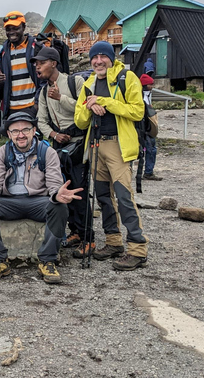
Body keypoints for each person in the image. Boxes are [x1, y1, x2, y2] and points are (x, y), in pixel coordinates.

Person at [0, 112, 79, 283]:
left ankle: (47, 260)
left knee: (60, 207)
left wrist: (57, 195)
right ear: (9, 134)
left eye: (25, 130)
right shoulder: (2, 152)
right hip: (9, 202)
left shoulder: (48, 152)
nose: (20, 135)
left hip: (39, 201)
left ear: (34, 130)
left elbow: (54, 184)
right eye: (15, 131)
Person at [74, 41, 149, 271]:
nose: (98, 61)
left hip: (119, 146)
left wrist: (104, 102)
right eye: (94, 58)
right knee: (104, 196)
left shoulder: (127, 78)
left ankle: (137, 249)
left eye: (102, 57)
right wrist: (89, 106)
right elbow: (79, 121)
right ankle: (114, 242)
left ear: (111, 58)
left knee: (124, 196)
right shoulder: (88, 84)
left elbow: (137, 111)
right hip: (96, 144)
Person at [34, 46, 95, 258]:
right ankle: (75, 231)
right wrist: (52, 134)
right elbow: (40, 120)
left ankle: (89, 238)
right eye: (36, 63)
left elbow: (85, 109)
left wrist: (61, 98)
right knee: (63, 187)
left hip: (79, 144)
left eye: (40, 62)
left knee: (79, 188)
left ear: (53, 63)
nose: (37, 66)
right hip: (59, 147)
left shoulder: (74, 82)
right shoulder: (42, 91)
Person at [0, 11, 39, 121]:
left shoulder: (36, 48)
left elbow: (44, 79)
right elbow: (1, 81)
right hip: (11, 108)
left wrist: (37, 105)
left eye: (15, 28)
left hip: (31, 106)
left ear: (24, 27)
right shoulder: (3, 53)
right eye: (8, 29)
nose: (11, 32)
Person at [140, 74, 162, 181]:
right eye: (150, 84)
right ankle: (148, 172)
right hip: (145, 128)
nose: (152, 86)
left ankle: (147, 172)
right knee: (151, 149)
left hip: (145, 127)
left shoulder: (145, 94)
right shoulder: (143, 96)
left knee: (149, 149)